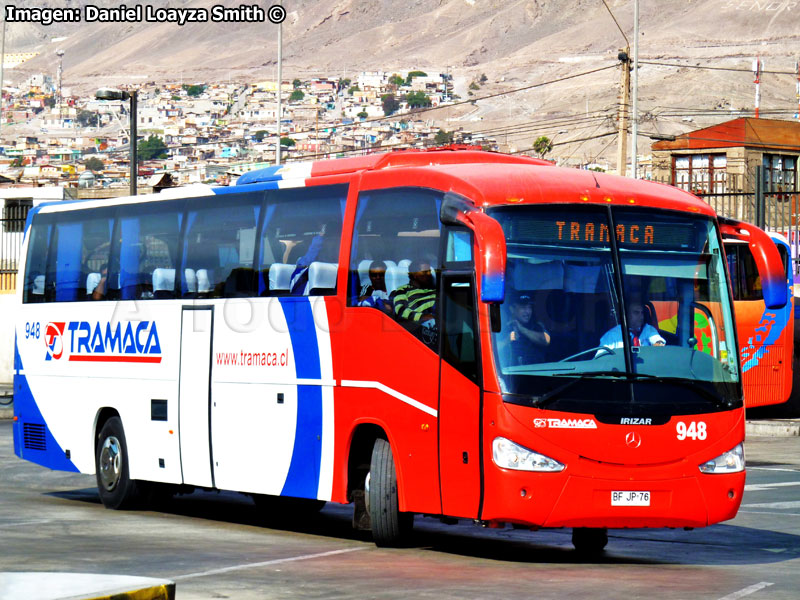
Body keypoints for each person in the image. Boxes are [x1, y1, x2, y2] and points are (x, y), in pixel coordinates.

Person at [503, 292, 551, 365]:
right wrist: (506, 341)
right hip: (509, 374)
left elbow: (546, 340)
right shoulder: (501, 328)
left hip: (535, 373)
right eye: (523, 308)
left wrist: (522, 329)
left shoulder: (537, 326)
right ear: (512, 309)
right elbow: (485, 350)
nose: (528, 312)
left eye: (529, 307)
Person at [600, 301, 665, 350]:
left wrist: (658, 344)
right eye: (636, 313)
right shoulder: (612, 335)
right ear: (627, 315)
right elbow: (601, 359)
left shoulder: (648, 329)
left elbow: (658, 340)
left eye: (642, 313)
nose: (641, 316)